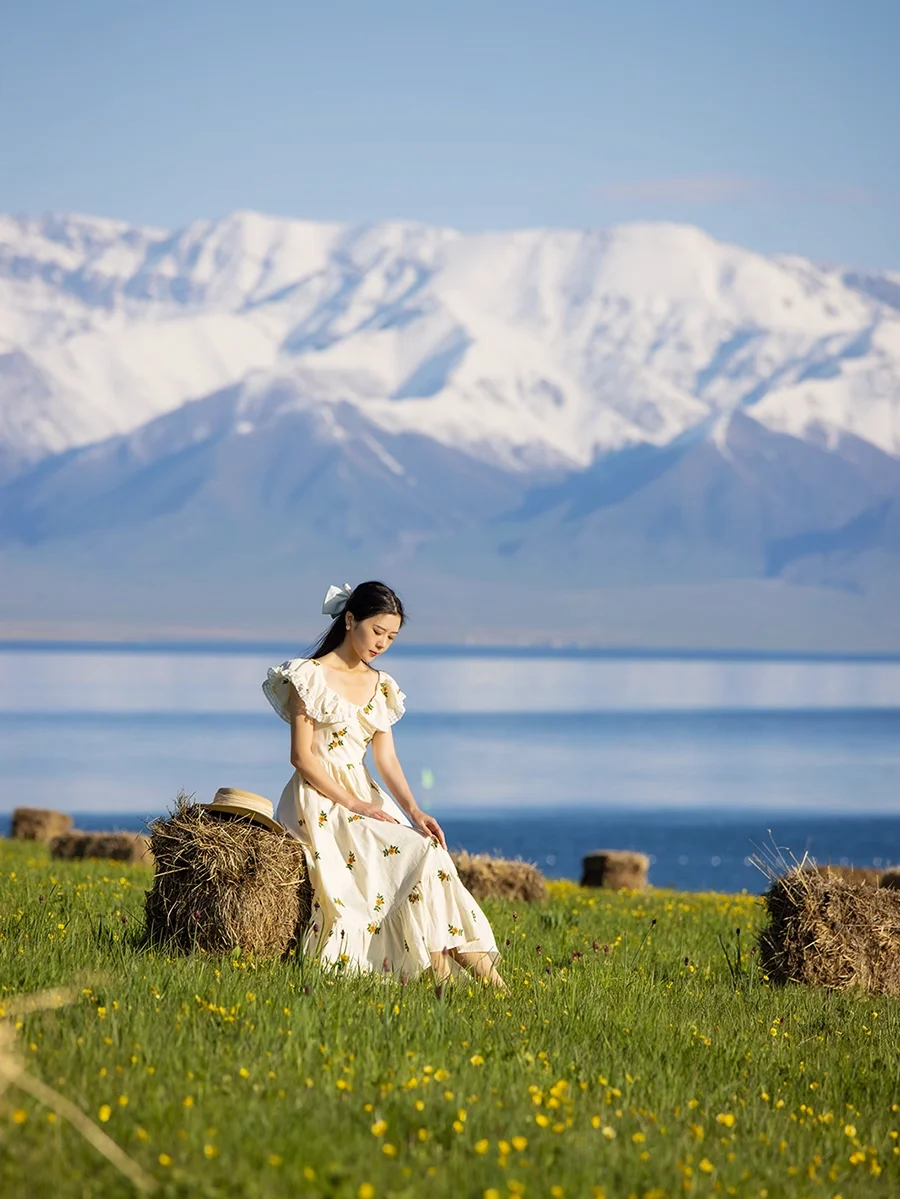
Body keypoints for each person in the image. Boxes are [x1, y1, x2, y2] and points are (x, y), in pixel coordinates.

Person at [262, 580, 505, 989]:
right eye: (377, 632)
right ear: (350, 619)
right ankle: (462, 987)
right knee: (418, 858)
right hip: (319, 799)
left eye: (391, 637)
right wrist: (355, 805)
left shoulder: (381, 684)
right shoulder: (308, 676)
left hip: (366, 795)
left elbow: (386, 759)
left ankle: (485, 986)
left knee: (431, 853)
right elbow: (302, 757)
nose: (383, 644)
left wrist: (415, 811)